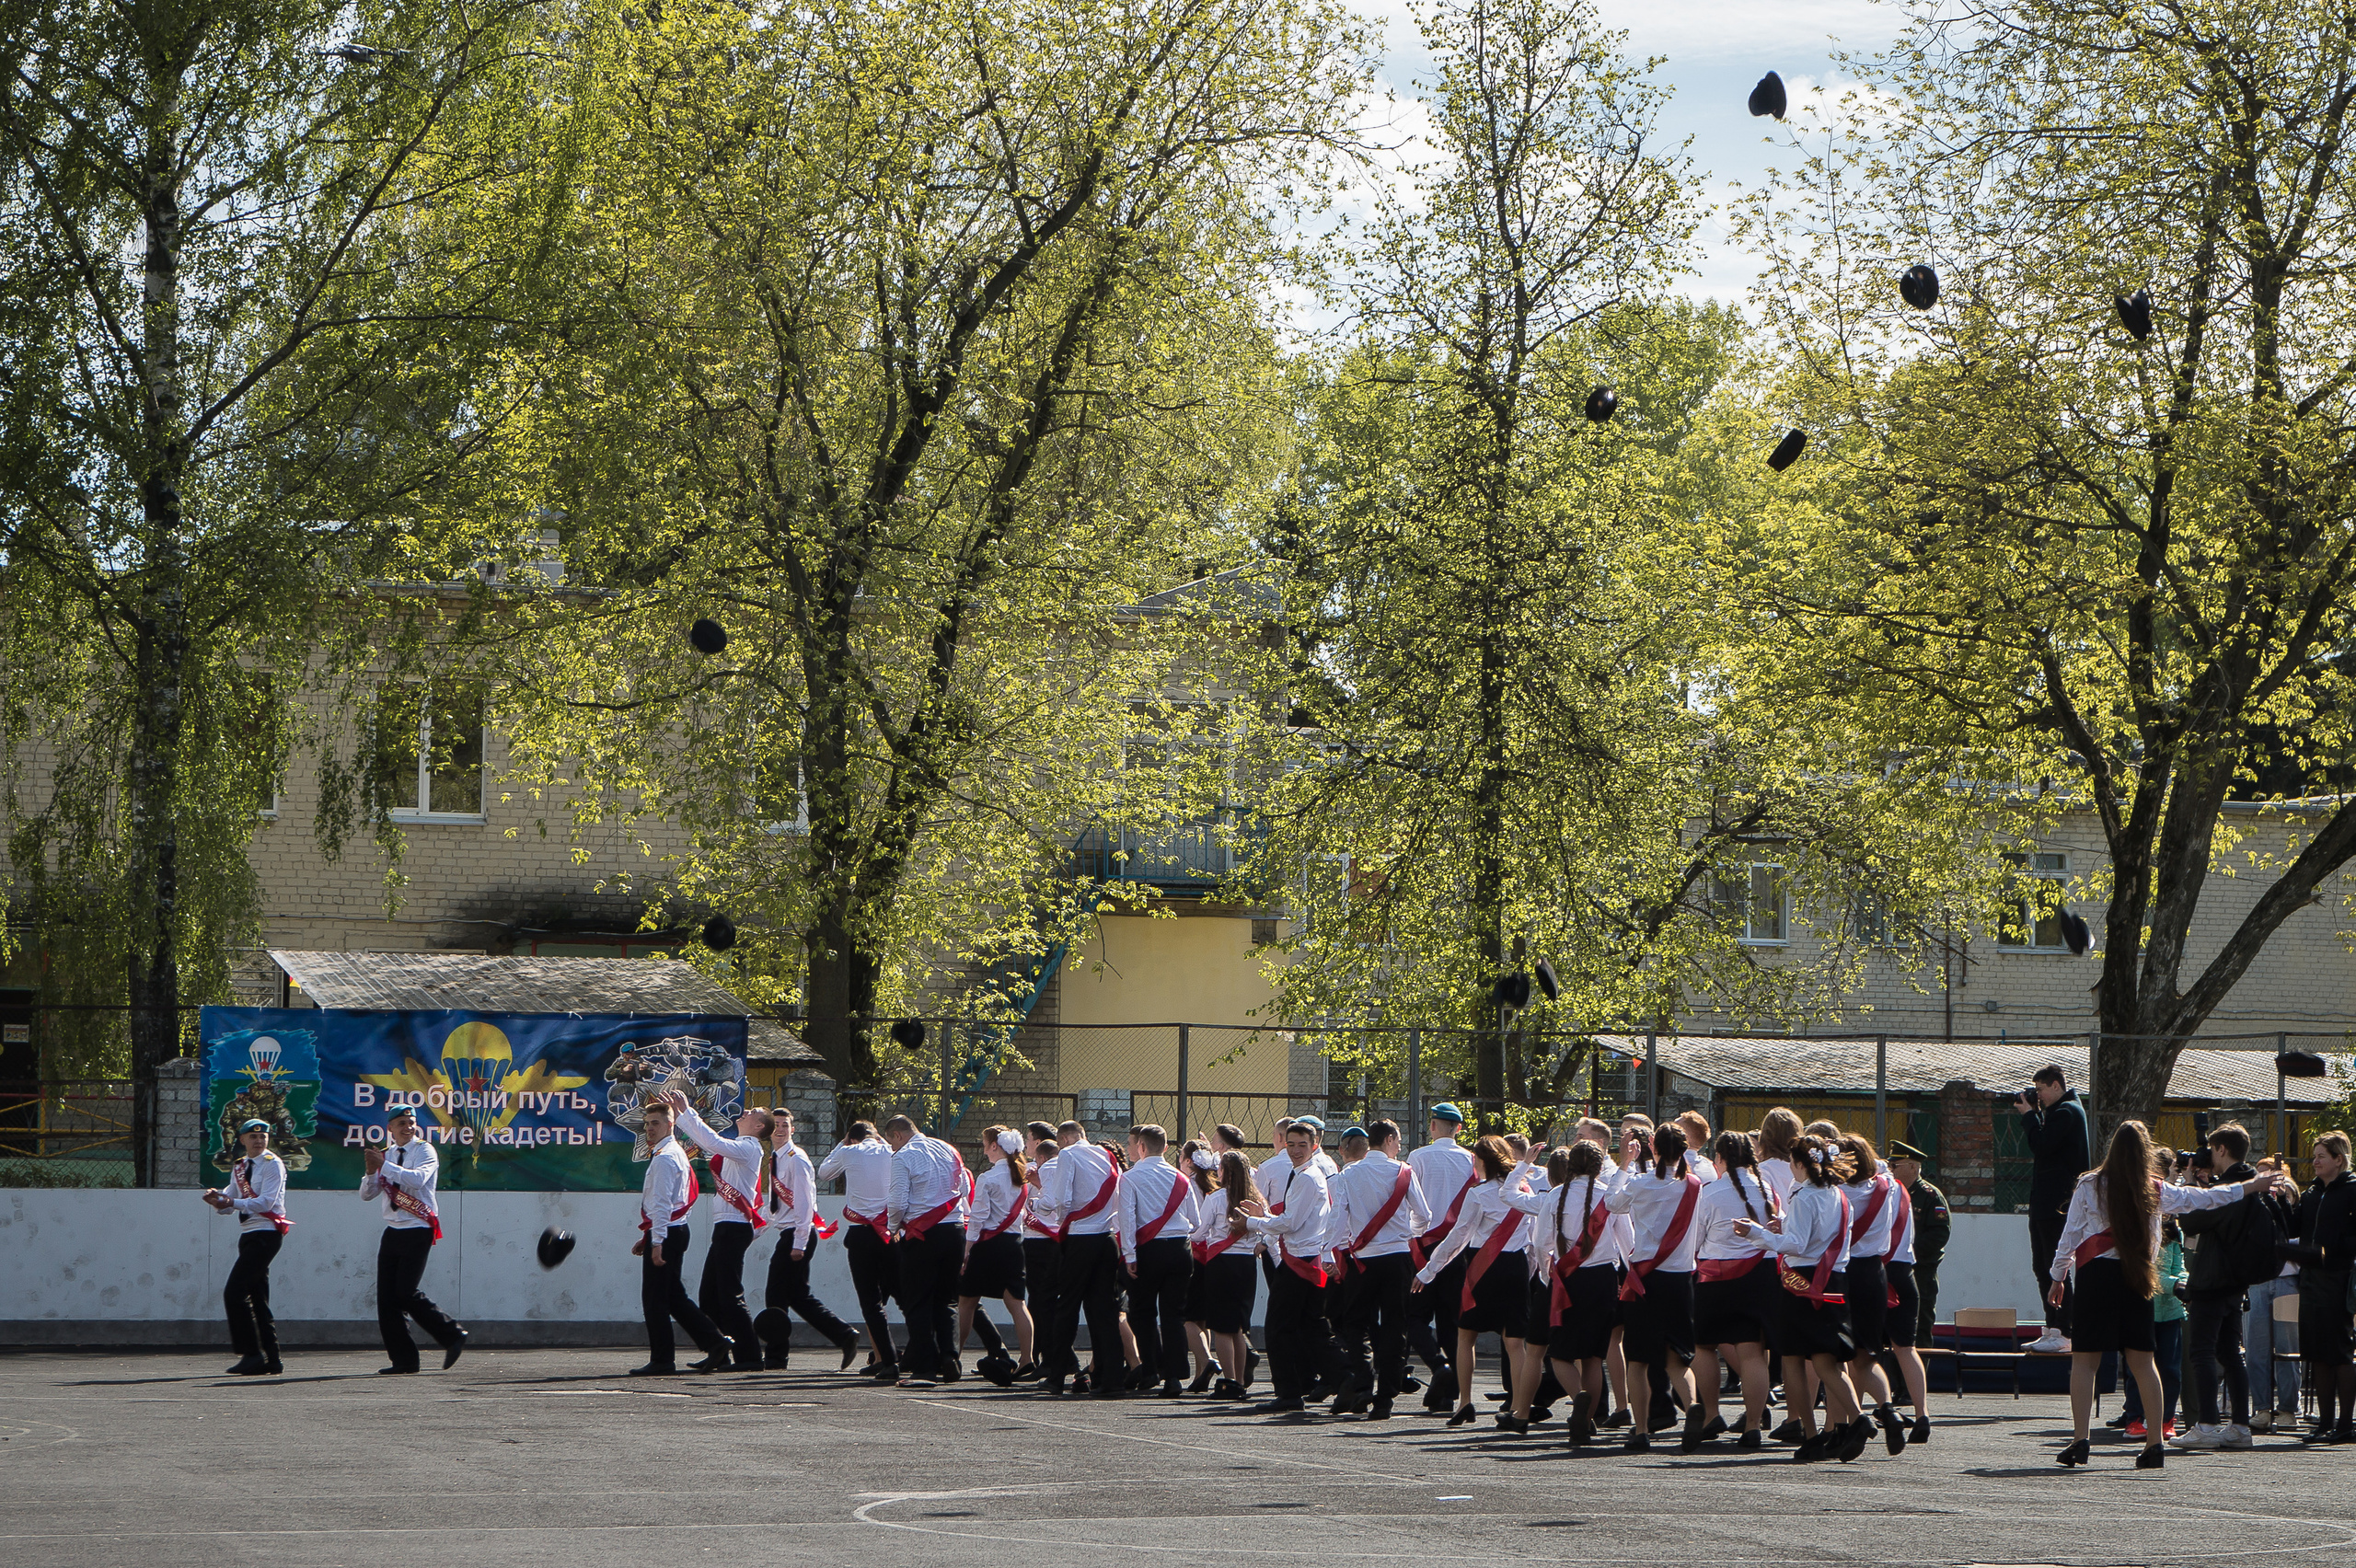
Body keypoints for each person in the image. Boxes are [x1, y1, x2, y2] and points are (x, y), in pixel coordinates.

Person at [2047, 1118, 2275, 1470]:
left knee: (2085, 1362)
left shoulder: (2090, 1185)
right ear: (2145, 1153)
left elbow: (2070, 1234)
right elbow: (2205, 1198)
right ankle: (2154, 1444)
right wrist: (2251, 1186)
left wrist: (2058, 1275)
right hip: (2137, 1277)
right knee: (2142, 1362)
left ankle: (2080, 1440)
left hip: (2095, 1276)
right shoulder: (2155, 1189)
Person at [1735, 1133, 1874, 1463]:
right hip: (1834, 1279)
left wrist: (1757, 1233)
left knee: (1792, 1359)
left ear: (1799, 1163)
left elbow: (1797, 1244)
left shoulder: (1804, 1196)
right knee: (1828, 1359)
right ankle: (1856, 1417)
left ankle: (1811, 1434)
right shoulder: (1839, 1195)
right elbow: (1818, 1235)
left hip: (1804, 1282)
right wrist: (1783, 1223)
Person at [1504, 1138, 1624, 1446]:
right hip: (1602, 1280)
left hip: (1565, 1280)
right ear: (1600, 1167)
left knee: (1559, 1355)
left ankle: (1579, 1397)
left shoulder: (1556, 1195)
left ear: (1570, 1165)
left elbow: (1542, 1241)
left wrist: (1547, 1274)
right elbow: (1628, 1242)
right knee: (1594, 1357)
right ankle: (1586, 1418)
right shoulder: (1609, 1197)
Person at [1412, 1134, 1535, 1428]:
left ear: (1481, 1161)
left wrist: (1428, 1271)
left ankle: (1466, 1402)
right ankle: (1518, 1408)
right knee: (1515, 1343)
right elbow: (1533, 1240)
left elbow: (1458, 1238)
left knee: (1466, 1336)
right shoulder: (1523, 1189)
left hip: (1484, 1268)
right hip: (1516, 1267)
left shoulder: (1478, 1194)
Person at [1241, 1118, 1353, 1413]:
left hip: (1300, 1260)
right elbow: (1292, 1218)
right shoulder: (1302, 1173)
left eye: (1302, 1144)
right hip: (1303, 1257)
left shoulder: (1306, 1176)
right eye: (1291, 1144)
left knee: (1279, 1327)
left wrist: (1253, 1221)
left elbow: (1290, 1222)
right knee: (1310, 1326)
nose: (1295, 1150)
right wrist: (1263, 1213)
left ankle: (1291, 1391)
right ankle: (1345, 1379)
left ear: (1315, 1145)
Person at [1607, 1123, 1703, 1452]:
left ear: (1652, 1145)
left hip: (1645, 1279)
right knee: (1678, 1358)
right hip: (1680, 1279)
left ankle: (1643, 1428)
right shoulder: (1694, 1185)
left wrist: (1623, 1165)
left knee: (1639, 1359)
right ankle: (1693, 1408)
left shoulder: (1640, 1183)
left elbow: (1611, 1204)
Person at [1328, 1119, 1432, 1420]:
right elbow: (1424, 1216)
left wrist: (1329, 1252)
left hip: (1361, 1258)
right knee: (1394, 1326)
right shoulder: (1403, 1172)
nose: (1399, 1148)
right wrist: (1406, 1231)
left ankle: (1362, 1382)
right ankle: (1385, 1397)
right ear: (1388, 1140)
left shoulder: (1349, 1174)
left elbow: (1339, 1217)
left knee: (1356, 1323)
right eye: (1398, 1142)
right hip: (1397, 1257)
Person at [664, 1088, 772, 1370]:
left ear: (759, 1126)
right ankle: (719, 1351)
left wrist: (686, 1113)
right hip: (727, 1227)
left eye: (753, 1113)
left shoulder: (749, 1148)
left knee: (729, 1294)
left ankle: (749, 1357)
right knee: (709, 1293)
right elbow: (714, 1142)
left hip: (734, 1228)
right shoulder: (741, 1146)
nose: (746, 1112)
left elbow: (711, 1142)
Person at [2172, 1121, 2264, 1449]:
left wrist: (2188, 1184)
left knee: (2202, 1352)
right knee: (2230, 1353)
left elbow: (2192, 1220)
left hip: (2212, 1280)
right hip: (2235, 1282)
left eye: (2212, 1149)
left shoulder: (2230, 1188)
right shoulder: (2252, 1182)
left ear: (2222, 1150)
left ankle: (2208, 1424)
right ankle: (2240, 1424)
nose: (2209, 1155)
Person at [629, 1095, 734, 1376]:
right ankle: (716, 1344)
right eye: (647, 1124)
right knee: (673, 1297)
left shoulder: (665, 1158)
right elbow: (667, 1204)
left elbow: (663, 1204)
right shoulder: (672, 1153)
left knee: (655, 1299)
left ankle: (663, 1359)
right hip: (671, 1230)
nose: (650, 1128)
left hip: (668, 1233)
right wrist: (651, 1236)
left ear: (670, 1124)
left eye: (655, 1123)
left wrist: (657, 1242)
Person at [360, 1104, 468, 1375]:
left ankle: (451, 1332)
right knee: (387, 1300)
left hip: (418, 1227)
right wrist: (372, 1171)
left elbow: (418, 1180)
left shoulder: (424, 1150)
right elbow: (367, 1194)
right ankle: (404, 1360)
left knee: (405, 1291)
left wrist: (385, 1165)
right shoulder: (387, 1154)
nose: (408, 1127)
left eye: (411, 1122)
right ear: (390, 1128)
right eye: (401, 1123)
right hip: (393, 1229)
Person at [1689, 1130, 1776, 1449]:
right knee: (1752, 1351)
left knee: (1704, 1347)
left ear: (1721, 1158)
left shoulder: (1710, 1193)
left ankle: (1712, 1414)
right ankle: (1753, 1424)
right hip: (1759, 1276)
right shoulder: (1765, 1188)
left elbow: (1695, 1239)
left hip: (1716, 1276)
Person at [761, 1106, 862, 1372]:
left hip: (797, 1233)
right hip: (790, 1232)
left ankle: (775, 1356)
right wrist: (756, 1229)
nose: (781, 1129)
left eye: (785, 1125)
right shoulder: (776, 1158)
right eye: (777, 1124)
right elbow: (775, 1206)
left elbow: (805, 1205)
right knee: (797, 1296)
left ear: (792, 1129)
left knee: (776, 1295)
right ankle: (843, 1334)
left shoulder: (796, 1159)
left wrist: (799, 1242)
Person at [1836, 1132, 1911, 1455]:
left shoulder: (1835, 1191)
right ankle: (1888, 1409)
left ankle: (1846, 1426)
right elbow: (1882, 1170)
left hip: (1841, 1272)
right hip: (1874, 1273)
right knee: (1868, 1354)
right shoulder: (1889, 1187)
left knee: (1835, 1356)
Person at [883, 1113, 969, 1388]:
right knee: (947, 1299)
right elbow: (964, 1187)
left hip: (922, 1234)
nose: (892, 1149)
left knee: (917, 1301)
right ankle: (950, 1358)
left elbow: (897, 1201)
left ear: (897, 1135)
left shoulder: (903, 1156)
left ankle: (925, 1367)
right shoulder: (948, 1148)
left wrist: (893, 1227)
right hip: (954, 1230)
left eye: (891, 1142)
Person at [2281, 1129, 2356, 1442]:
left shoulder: (2352, 1190)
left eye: (2321, 1157)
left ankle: (2344, 1425)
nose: (2315, 1162)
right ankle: (2325, 1423)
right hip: (2310, 1279)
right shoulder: (2312, 1193)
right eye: (2314, 1156)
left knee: (2339, 1351)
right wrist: (2281, 1201)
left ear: (2339, 1159)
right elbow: (2293, 1226)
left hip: (2338, 1278)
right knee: (2316, 1353)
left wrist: (2335, 1248)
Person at [1116, 1123, 1198, 1397]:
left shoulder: (1130, 1177)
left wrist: (1129, 1255)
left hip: (1147, 1251)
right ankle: (1174, 1377)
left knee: (1143, 1312)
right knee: (1173, 1315)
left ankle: (1150, 1369)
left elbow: (1127, 1219)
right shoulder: (1181, 1178)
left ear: (1140, 1147)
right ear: (1165, 1147)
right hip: (1179, 1249)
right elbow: (1196, 1222)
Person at [1406, 1102, 1479, 1412]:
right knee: (1452, 1319)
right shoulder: (1472, 1160)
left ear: (1433, 1126)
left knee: (1414, 1316)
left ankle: (1439, 1368)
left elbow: (1411, 1202)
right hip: (1458, 1246)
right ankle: (1450, 1392)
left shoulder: (1418, 1157)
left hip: (1424, 1245)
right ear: (1458, 1128)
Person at [1044, 1120, 1124, 1398]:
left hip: (1081, 1236)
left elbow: (1062, 1198)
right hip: (1107, 1237)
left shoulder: (1067, 1154)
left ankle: (1056, 1377)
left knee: (1067, 1306)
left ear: (1063, 1139)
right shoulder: (1107, 1155)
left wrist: (1063, 1221)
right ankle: (1110, 1377)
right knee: (1104, 1310)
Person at [204, 1117, 289, 1377]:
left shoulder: (272, 1164)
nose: (258, 1140)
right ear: (242, 1140)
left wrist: (231, 1202)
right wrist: (218, 1200)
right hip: (249, 1234)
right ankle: (271, 1359)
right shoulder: (240, 1166)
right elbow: (232, 1197)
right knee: (256, 1297)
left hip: (267, 1234)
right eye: (252, 1137)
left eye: (263, 1136)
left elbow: (265, 1203)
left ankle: (252, 1354)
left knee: (234, 1292)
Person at [2019, 1064, 2093, 1352]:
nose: (2038, 1096)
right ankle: (2052, 1328)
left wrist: (2029, 1117)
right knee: (2043, 1267)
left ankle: (2064, 1331)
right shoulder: (2058, 1113)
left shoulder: (2068, 1112)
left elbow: (2042, 1145)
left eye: (2040, 1090)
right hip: (2045, 1204)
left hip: (2058, 1206)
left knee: (2057, 1269)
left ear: (2055, 1085)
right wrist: (2036, 1116)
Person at [820, 1120, 901, 1380]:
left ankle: (888, 1359)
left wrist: (841, 1145)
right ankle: (916, 1353)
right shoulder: (892, 1150)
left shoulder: (850, 1151)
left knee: (871, 1301)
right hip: (891, 1231)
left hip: (862, 1234)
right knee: (902, 1294)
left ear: (852, 1139)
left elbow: (824, 1173)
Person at [956, 1126, 1036, 1378]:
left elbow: (978, 1218)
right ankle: (1027, 1358)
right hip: (1013, 1244)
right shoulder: (1023, 1176)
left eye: (985, 1144)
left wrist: (968, 1250)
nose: (983, 1149)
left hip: (987, 1245)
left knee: (967, 1301)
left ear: (994, 1146)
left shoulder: (988, 1178)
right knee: (1017, 1303)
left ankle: (952, 1355)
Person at [1195, 1148, 1263, 1399]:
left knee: (1222, 1327)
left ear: (1223, 1171)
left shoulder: (1215, 1199)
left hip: (1221, 1265)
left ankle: (1230, 1380)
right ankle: (1241, 1381)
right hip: (1246, 1266)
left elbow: (1200, 1233)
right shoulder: (1257, 1201)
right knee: (1238, 1328)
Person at [1881, 1139, 1934, 1445]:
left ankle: (1852, 1417)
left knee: (1865, 1352)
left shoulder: (1873, 1191)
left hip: (1881, 1273)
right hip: (1904, 1272)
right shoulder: (1901, 1192)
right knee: (1906, 1348)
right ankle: (1922, 1413)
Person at [2245, 1156, 2303, 1433]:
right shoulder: (2252, 1209)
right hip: (2257, 1282)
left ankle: (2288, 1409)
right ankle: (2262, 1408)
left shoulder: (2290, 1206)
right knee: (2256, 1349)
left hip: (2286, 1282)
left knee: (2287, 1348)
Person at [2120, 1216, 2187, 1442]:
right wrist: (2174, 1285)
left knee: (2170, 1370)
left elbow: (2180, 1267)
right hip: (2141, 1309)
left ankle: (2166, 1420)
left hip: (2170, 1313)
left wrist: (2184, 1282)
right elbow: (2143, 1271)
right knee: (2138, 1369)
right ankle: (2134, 1419)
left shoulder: (2174, 1236)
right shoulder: (2134, 1230)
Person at [1015, 1124, 1063, 1383]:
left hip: (1044, 1240)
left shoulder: (1049, 1168)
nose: (1026, 1145)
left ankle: (1050, 1358)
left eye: (1029, 1139)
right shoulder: (1044, 1167)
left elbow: (1048, 1205)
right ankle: (1048, 1356)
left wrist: (1034, 1193)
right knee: (1041, 1300)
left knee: (1042, 1300)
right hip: (1043, 1240)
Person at [1888, 1140, 1948, 1350]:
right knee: (1891, 1329)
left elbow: (1939, 1234)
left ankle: (1916, 1382)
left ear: (1913, 1167)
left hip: (1920, 1271)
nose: (1890, 1171)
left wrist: (1908, 1252)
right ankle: (1893, 1382)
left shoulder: (1929, 1196)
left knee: (1919, 1329)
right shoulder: (1890, 1193)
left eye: (1895, 1166)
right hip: (1893, 1270)